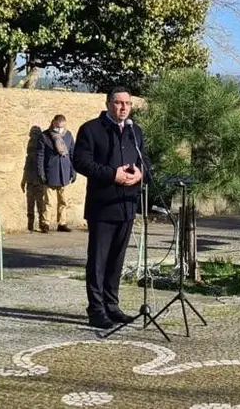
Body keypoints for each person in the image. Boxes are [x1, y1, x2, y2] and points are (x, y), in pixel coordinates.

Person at [73, 87, 150, 329]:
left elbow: (145, 161)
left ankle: (112, 305)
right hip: (102, 206)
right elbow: (81, 162)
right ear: (108, 104)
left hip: (127, 205)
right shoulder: (91, 129)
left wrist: (141, 173)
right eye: (118, 103)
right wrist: (111, 175)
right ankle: (96, 309)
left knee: (117, 260)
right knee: (98, 261)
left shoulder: (134, 131)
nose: (123, 107)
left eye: (127, 103)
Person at [36, 114, 78, 233]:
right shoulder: (45, 136)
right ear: (53, 123)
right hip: (50, 171)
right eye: (57, 126)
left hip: (64, 171)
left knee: (63, 200)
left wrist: (73, 170)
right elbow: (40, 156)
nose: (59, 129)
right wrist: (41, 173)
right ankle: (45, 223)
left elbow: (72, 154)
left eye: (62, 126)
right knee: (48, 200)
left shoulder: (68, 135)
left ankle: (62, 223)